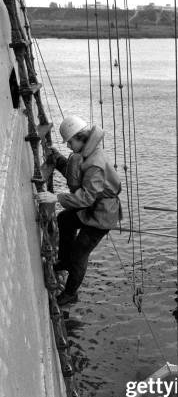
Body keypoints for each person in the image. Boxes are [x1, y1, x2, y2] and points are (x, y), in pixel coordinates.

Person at [37, 115, 122, 306]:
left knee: (80, 254)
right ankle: (64, 261)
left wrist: (56, 197)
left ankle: (70, 294)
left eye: (70, 142)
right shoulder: (87, 153)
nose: (68, 147)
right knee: (65, 219)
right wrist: (58, 158)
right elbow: (76, 174)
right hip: (92, 208)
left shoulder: (94, 163)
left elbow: (86, 196)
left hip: (102, 215)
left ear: (81, 137)